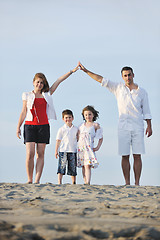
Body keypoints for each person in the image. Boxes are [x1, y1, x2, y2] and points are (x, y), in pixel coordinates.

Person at [78, 62, 152, 186]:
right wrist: (86, 71)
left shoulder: (142, 92)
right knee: (124, 155)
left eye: (129, 75)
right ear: (122, 77)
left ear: (133, 75)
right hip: (123, 127)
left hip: (138, 126)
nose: (128, 77)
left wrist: (149, 126)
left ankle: (137, 183)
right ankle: (127, 183)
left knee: (137, 155)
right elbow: (100, 79)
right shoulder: (118, 88)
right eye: (125, 75)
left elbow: (147, 111)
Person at [16, 65, 79, 184]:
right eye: (37, 82)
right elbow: (23, 111)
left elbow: (58, 81)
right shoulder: (27, 95)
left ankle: (37, 180)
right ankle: (29, 179)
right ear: (33, 82)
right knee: (30, 153)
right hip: (29, 126)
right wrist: (18, 126)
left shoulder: (47, 94)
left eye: (41, 83)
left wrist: (71, 71)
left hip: (43, 126)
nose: (39, 84)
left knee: (41, 153)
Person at [77, 105, 103, 185]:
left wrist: (97, 147)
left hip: (89, 147)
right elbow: (77, 135)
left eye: (89, 114)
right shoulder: (81, 125)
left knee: (88, 165)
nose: (88, 116)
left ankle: (88, 182)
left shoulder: (95, 125)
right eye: (86, 115)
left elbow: (101, 137)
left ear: (93, 115)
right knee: (83, 165)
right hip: (81, 148)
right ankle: (85, 181)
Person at [55, 109, 78, 184]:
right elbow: (58, 140)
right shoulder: (61, 129)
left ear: (73, 118)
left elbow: (78, 139)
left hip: (73, 151)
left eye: (69, 117)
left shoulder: (76, 129)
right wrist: (56, 150)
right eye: (66, 118)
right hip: (63, 150)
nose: (68, 119)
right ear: (63, 119)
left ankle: (74, 182)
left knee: (72, 167)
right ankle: (59, 182)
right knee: (61, 167)